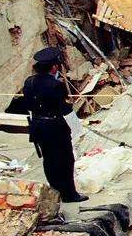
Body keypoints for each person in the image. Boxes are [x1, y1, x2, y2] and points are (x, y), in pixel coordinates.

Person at [21, 47, 85, 203]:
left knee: (49, 161)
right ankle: (69, 193)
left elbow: (27, 104)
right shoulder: (56, 85)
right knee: (64, 160)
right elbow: (65, 109)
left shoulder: (29, 82)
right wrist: (77, 129)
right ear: (54, 67)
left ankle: (55, 191)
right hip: (54, 127)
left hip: (38, 126)